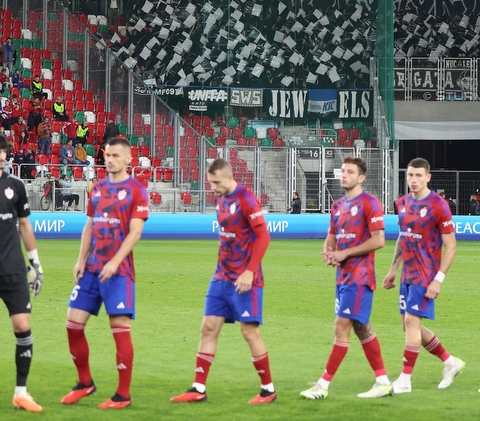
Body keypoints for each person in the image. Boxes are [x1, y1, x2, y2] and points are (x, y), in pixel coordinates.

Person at [170, 158, 276, 405]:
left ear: (229, 178)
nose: (212, 187)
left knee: (249, 331)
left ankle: (268, 389)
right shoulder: (220, 199)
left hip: (246, 280)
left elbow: (263, 236)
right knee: (208, 328)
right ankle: (198, 388)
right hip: (221, 277)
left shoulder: (246, 199)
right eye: (210, 182)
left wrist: (249, 272)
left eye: (216, 182)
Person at [62, 137, 149, 409]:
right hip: (92, 270)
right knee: (72, 324)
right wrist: (80, 259)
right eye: (106, 154)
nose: (109, 159)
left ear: (128, 159)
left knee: (119, 329)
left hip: (119, 272)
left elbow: (136, 232)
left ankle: (122, 395)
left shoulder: (137, 191)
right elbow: (89, 226)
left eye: (114, 155)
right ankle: (85, 383)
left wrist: (115, 261)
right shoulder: (96, 189)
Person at [300, 156, 393, 400]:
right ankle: (383, 381)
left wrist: (345, 252)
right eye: (343, 171)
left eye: (350, 172)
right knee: (362, 328)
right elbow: (332, 235)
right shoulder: (338, 205)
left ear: (361, 178)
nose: (344, 175)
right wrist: (330, 251)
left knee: (341, 327)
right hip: (342, 278)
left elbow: (379, 239)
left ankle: (322, 385)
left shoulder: (370, 203)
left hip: (360, 277)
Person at [383, 158, 464, 394]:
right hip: (407, 273)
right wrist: (392, 269)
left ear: (428, 177)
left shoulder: (439, 205)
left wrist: (438, 279)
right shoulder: (403, 203)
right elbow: (403, 236)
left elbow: (451, 247)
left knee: (411, 322)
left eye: (419, 175)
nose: (414, 180)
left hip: (425, 274)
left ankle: (405, 380)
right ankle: (450, 362)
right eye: (410, 175)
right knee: (408, 326)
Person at [0, 135, 44, 412]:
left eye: (2, 153)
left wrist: (35, 265)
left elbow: (24, 226)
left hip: (12, 269)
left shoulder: (15, 186)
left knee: (22, 326)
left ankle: (21, 392)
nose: (1, 158)